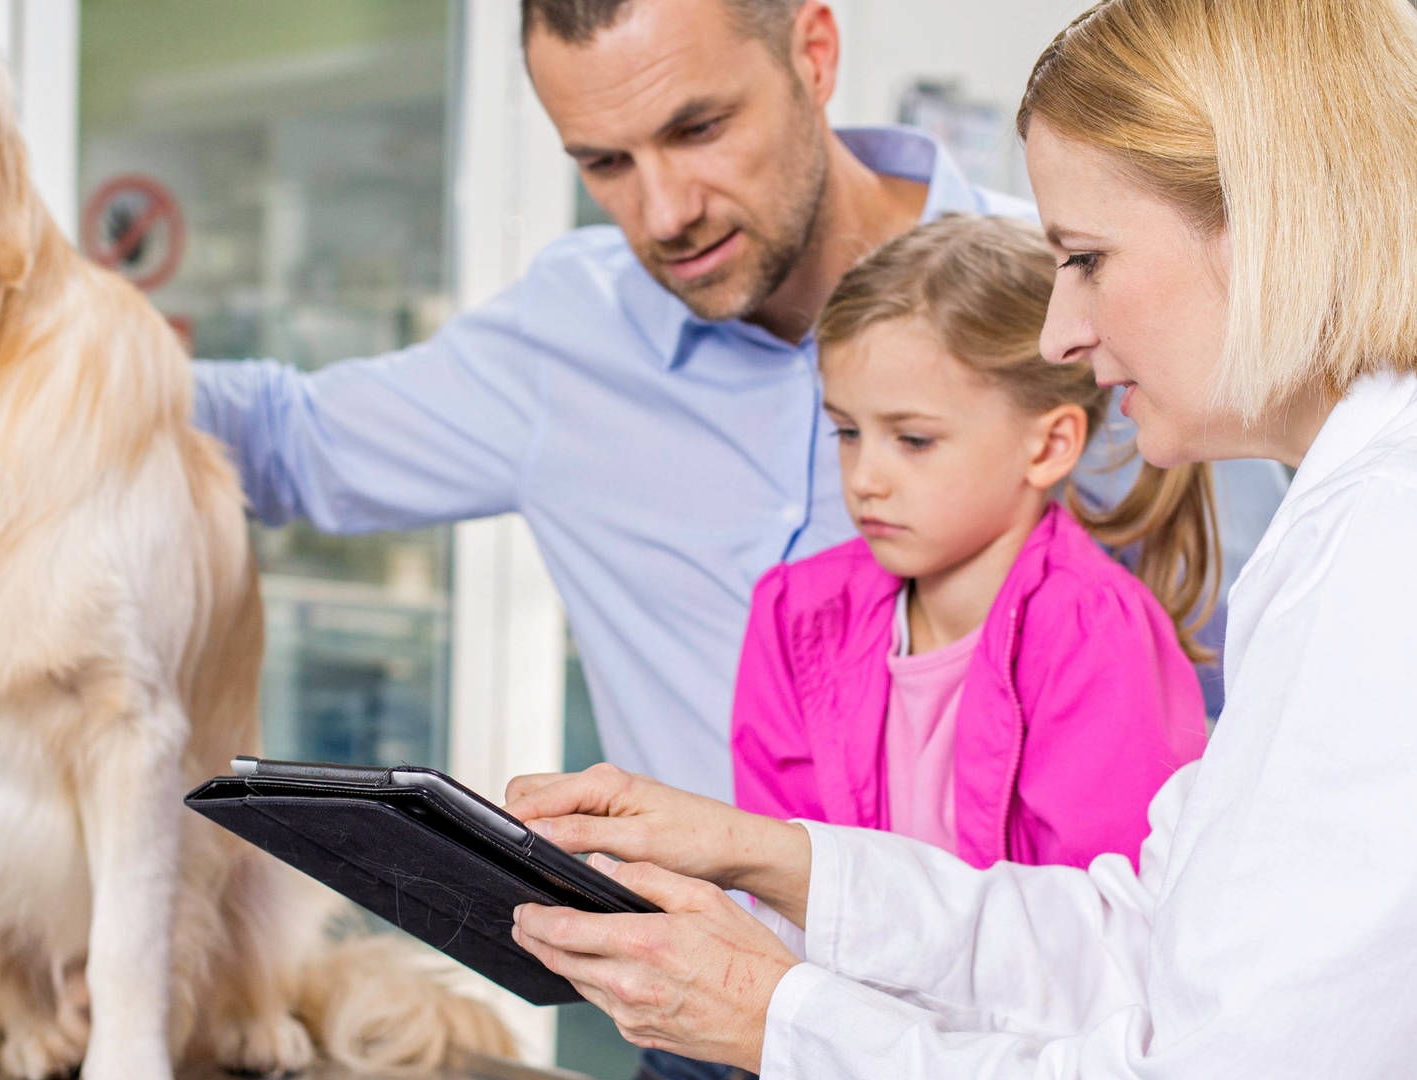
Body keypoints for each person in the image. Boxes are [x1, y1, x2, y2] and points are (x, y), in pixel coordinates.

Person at [501, 0, 1417, 1074]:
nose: (1060, 333)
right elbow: (1147, 944)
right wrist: (770, 855)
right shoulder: (1349, 528)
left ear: (1269, 218)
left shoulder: (1381, 563)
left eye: (1083, 257)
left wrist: (782, 1023)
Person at [734, 214, 1209, 872]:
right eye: (847, 432)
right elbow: (777, 876)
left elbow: (1103, 927)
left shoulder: (1097, 634)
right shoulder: (796, 613)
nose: (865, 478)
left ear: (1047, 445)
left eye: (914, 440)